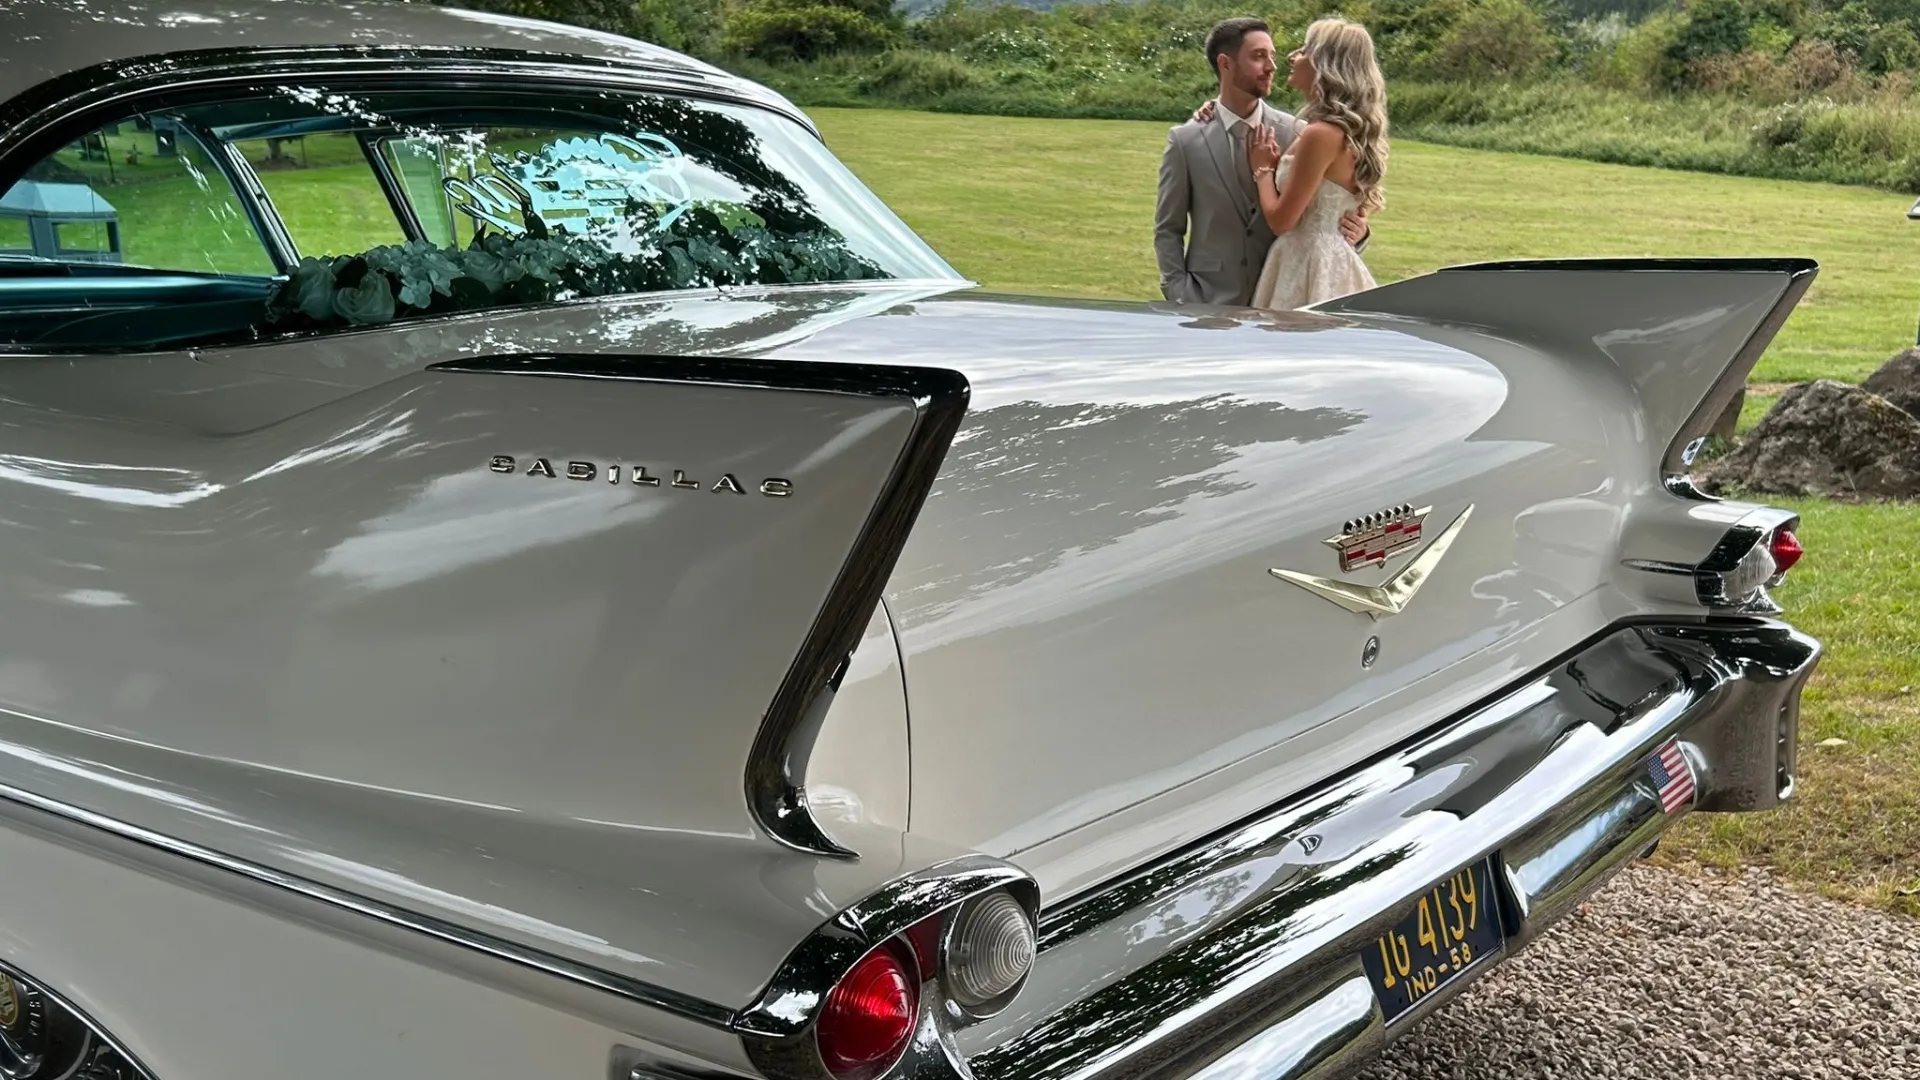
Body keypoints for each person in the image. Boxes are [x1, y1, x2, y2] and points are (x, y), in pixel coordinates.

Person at [1154, 17, 1369, 308]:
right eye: (1259, 57)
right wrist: (1179, 291)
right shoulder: (1186, 140)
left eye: (1272, 56)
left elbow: (1329, 208)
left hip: (1286, 292)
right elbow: (1168, 228)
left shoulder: (1298, 132)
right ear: (1225, 64)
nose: (1272, 66)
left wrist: (1360, 232)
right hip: (1209, 302)